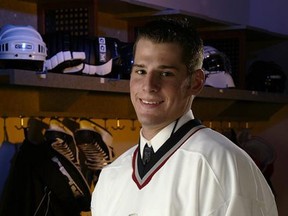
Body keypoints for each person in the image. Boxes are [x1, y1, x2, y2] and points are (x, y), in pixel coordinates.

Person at [90, 18, 278, 216]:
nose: (148, 85)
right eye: (140, 71)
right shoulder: (112, 175)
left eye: (165, 73)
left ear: (195, 82)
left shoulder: (223, 165)